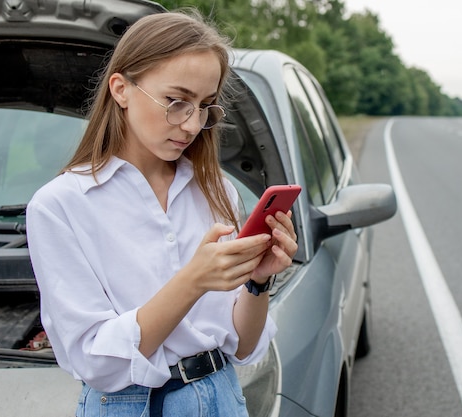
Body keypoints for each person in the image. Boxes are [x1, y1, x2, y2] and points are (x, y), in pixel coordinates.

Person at [26, 9, 298, 417]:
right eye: (176, 101)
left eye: (205, 106)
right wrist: (192, 281)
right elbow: (95, 360)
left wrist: (258, 282)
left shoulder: (218, 192)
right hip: (123, 406)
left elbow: (242, 347)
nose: (191, 125)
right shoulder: (60, 205)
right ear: (120, 89)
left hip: (219, 395)